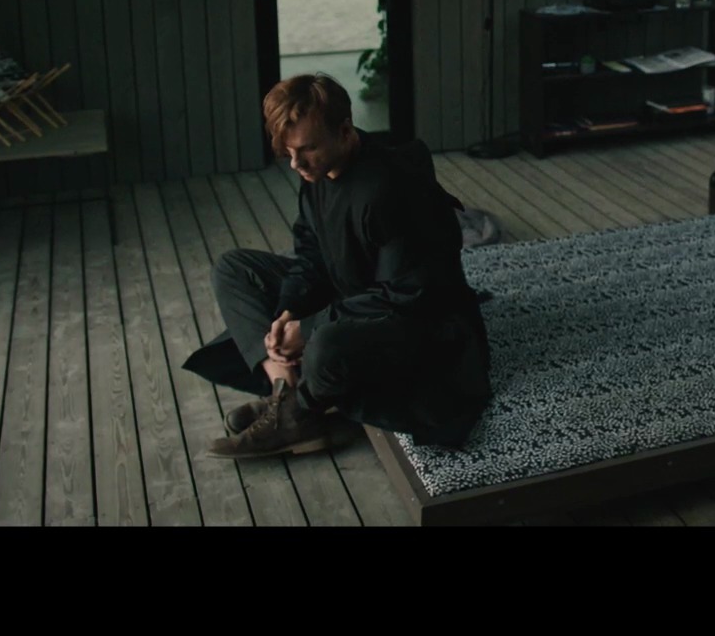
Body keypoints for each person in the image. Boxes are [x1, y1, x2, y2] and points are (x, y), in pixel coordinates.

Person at [186, 74, 492, 458]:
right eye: (289, 151)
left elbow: (407, 296)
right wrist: (289, 311)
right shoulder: (318, 168)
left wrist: (309, 329)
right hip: (351, 295)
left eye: (307, 149)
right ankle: (287, 395)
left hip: (418, 324)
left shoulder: (392, 187)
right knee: (234, 269)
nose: (295, 163)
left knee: (326, 344)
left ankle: (300, 410)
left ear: (345, 131)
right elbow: (311, 253)